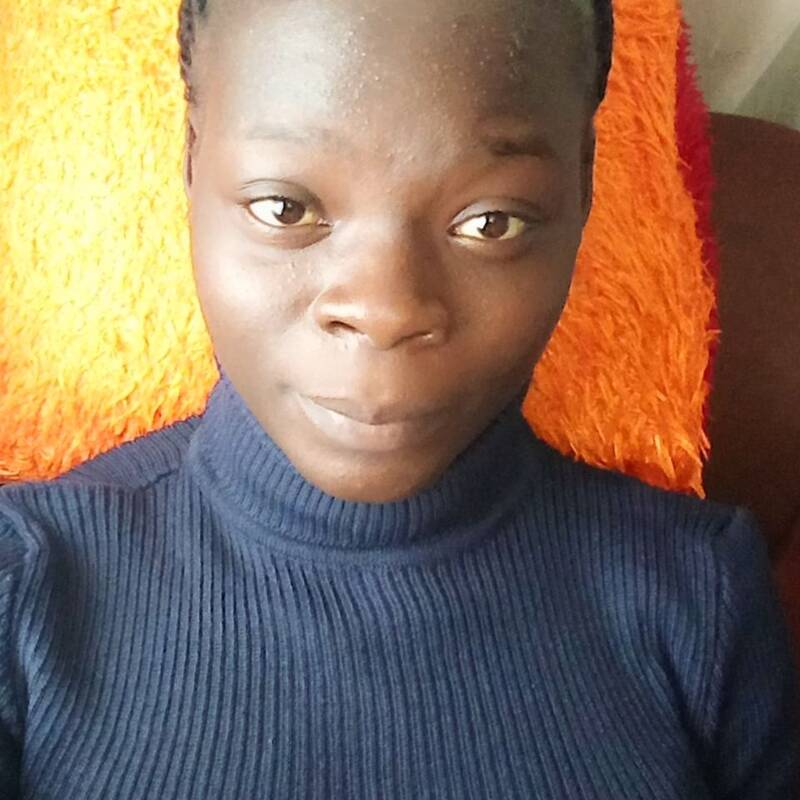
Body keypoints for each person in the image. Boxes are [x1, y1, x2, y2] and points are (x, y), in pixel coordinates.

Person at [0, 0, 797, 797]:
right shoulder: (25, 585)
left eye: (492, 221)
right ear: (192, 162)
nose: (386, 309)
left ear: (583, 186)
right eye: (285, 209)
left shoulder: (702, 597)